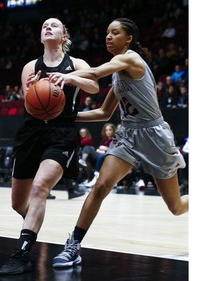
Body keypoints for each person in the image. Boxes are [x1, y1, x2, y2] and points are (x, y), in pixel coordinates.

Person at [48, 18, 188, 268]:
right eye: (107, 33)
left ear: (129, 38)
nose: (108, 37)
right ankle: (74, 246)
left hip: (154, 136)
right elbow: (103, 113)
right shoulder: (117, 73)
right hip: (128, 135)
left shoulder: (130, 59)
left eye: (115, 33)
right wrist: (66, 116)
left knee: (176, 208)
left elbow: (92, 73)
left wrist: (64, 76)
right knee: (100, 186)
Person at [0, 17, 99, 275]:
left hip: (61, 132)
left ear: (64, 35)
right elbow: (29, 103)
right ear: (41, 36)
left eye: (53, 25)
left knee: (40, 188)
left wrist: (71, 79)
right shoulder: (30, 67)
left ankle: (20, 254)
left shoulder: (77, 64)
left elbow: (94, 85)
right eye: (44, 26)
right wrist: (33, 90)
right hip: (31, 132)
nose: (47, 27)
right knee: (18, 203)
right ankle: (33, 224)